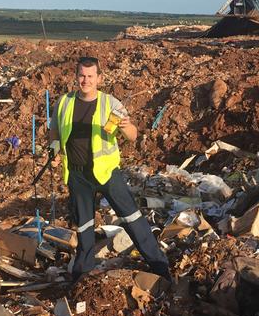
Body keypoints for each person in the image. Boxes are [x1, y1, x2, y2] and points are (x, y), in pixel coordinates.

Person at [49, 56, 171, 281]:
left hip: (107, 174)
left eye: (90, 76)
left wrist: (126, 127)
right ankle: (81, 276)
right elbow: (55, 131)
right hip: (77, 174)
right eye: (82, 75)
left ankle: (160, 267)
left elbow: (133, 136)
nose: (85, 80)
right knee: (84, 227)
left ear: (99, 78)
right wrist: (54, 150)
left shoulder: (110, 103)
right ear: (76, 76)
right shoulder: (64, 102)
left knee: (133, 219)